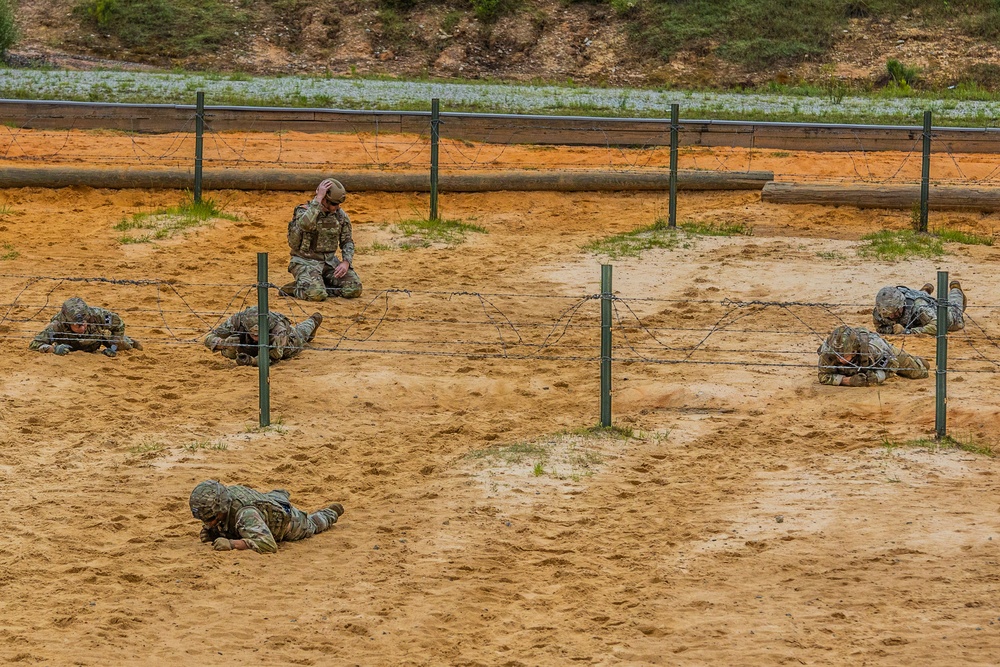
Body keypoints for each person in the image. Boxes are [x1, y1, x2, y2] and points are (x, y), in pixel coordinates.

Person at [189, 480, 345, 554]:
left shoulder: (246, 514)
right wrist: (213, 531)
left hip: (290, 522)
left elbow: (268, 545)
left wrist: (232, 544)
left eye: (211, 518)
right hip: (265, 505)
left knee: (313, 524)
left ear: (221, 508)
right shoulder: (226, 500)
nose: (207, 523)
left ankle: (330, 513)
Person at [283, 177, 362, 301]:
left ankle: (316, 285)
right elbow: (305, 224)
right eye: (333, 204)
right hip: (305, 262)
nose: (336, 207)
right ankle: (299, 288)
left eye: (338, 204)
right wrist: (318, 199)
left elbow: (347, 241)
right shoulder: (304, 211)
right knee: (316, 295)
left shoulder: (340, 216)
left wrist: (346, 262)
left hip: (329, 262)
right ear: (324, 199)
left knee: (354, 288)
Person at [204, 306, 322, 366]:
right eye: (253, 333)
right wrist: (222, 344)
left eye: (259, 334)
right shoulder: (238, 319)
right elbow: (209, 337)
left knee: (301, 333)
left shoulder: (278, 330)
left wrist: (252, 361)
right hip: (248, 347)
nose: (256, 336)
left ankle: (313, 321)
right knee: (230, 346)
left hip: (287, 344)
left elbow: (274, 358)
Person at [817, 324, 929, 387]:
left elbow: (893, 366)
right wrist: (848, 381)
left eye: (845, 356)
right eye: (838, 356)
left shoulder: (873, 347)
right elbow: (823, 376)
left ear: (855, 351)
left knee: (919, 373)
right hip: (865, 364)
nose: (840, 360)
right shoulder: (828, 351)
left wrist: (877, 376)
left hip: (885, 354)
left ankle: (917, 360)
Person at [29, 296, 142, 357]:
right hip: (70, 346)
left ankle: (131, 342)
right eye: (77, 326)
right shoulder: (57, 325)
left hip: (96, 339)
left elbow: (119, 325)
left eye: (84, 323)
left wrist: (113, 348)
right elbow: (35, 344)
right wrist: (53, 349)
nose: (82, 328)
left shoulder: (99, 316)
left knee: (122, 344)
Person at [873, 280, 966, 336]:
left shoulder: (919, 306)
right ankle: (925, 291)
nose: (892, 316)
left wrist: (908, 332)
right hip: (919, 308)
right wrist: (892, 330)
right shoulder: (881, 310)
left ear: (902, 304)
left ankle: (955, 289)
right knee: (920, 297)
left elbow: (937, 326)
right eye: (888, 315)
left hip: (940, 314)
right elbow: (879, 327)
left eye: (894, 312)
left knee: (956, 313)